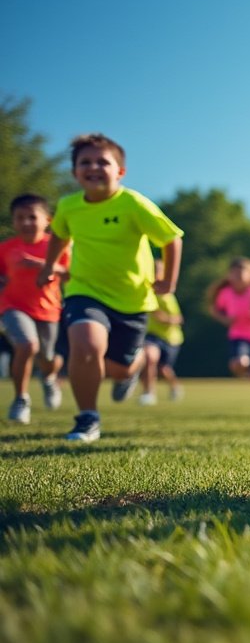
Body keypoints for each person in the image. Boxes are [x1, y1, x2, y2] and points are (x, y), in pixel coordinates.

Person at [37, 134, 184, 442]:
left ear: (120, 171)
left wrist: (169, 281)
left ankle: (134, 367)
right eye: (85, 162)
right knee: (86, 343)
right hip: (85, 290)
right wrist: (50, 265)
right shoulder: (68, 206)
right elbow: (59, 236)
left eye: (103, 162)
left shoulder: (132, 203)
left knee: (120, 369)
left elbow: (171, 239)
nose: (93, 167)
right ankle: (87, 418)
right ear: (74, 172)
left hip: (132, 299)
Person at [2, 194, 68, 423]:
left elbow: (72, 273)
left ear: (47, 220)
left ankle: (50, 379)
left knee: (47, 358)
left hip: (48, 311)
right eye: (20, 218)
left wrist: (44, 264)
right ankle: (21, 399)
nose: (26, 222)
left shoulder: (58, 245)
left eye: (32, 217)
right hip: (13, 306)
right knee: (27, 344)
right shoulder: (6, 248)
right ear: (14, 221)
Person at [210, 257, 250, 404]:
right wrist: (224, 319)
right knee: (238, 364)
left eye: (241, 274)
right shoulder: (226, 293)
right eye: (234, 274)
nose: (238, 277)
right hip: (238, 335)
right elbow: (215, 310)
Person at [138, 260, 185, 405]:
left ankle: (174, 387)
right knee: (150, 358)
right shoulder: (145, 292)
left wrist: (168, 319)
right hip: (153, 335)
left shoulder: (168, 296)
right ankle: (149, 393)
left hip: (171, 338)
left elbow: (178, 318)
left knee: (164, 368)